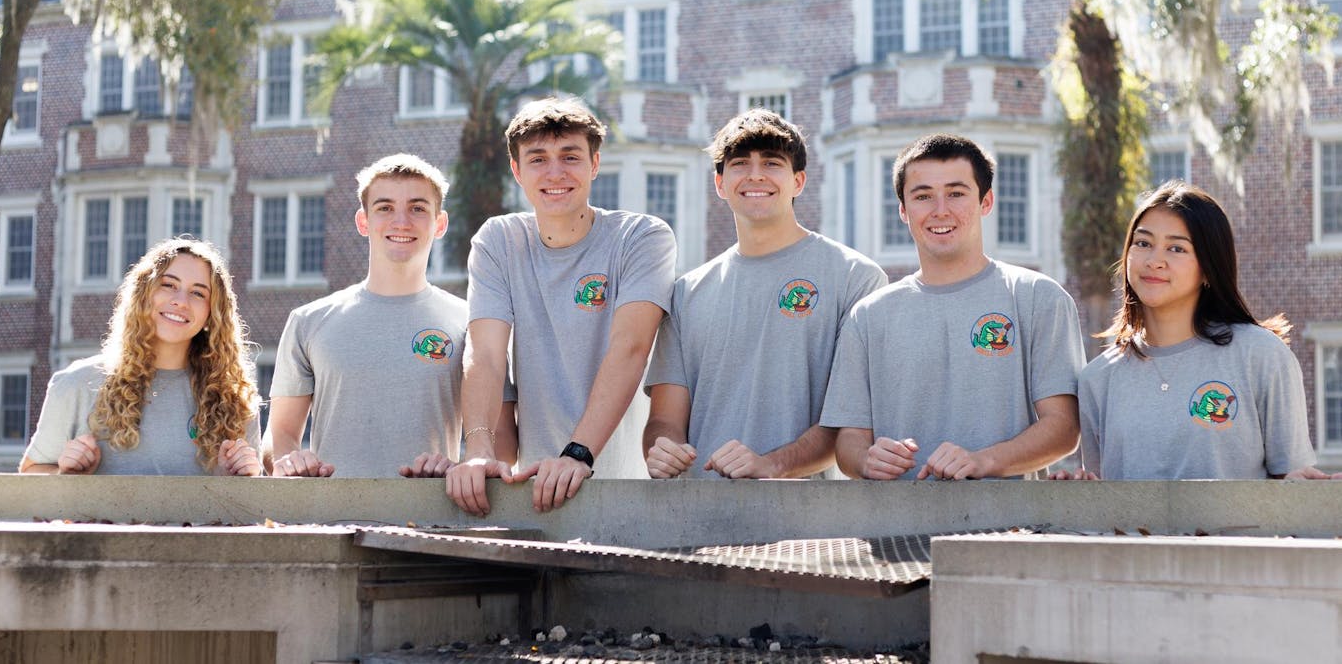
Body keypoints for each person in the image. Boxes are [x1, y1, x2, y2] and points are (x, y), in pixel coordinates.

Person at [447, 98, 677, 515]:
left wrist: (577, 453)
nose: (555, 173)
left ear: (594, 164)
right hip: (535, 494)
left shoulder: (642, 237)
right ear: (517, 171)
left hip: (630, 495)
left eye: (570, 156)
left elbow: (630, 348)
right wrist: (478, 449)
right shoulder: (498, 240)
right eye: (538, 159)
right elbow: (485, 353)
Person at [821, 134, 1083, 480]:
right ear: (902, 210)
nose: (940, 210)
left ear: (985, 202)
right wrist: (867, 460)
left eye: (957, 194)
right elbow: (849, 443)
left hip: (1007, 529)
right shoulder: (868, 317)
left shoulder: (1038, 298)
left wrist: (982, 461)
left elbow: (1064, 429)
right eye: (923, 196)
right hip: (892, 529)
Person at [643, 110, 887, 479]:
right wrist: (662, 449)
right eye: (740, 164)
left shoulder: (856, 278)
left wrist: (769, 465)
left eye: (771, 163)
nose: (755, 174)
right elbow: (664, 419)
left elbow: (849, 424)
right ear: (720, 184)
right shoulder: (685, 294)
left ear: (799, 181)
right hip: (696, 520)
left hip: (809, 526)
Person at [1057, 181, 1342, 481]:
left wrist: (1312, 491)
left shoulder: (1262, 356)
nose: (1154, 261)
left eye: (1176, 248)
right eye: (1143, 243)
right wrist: (1079, 487)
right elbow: (1101, 502)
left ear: (1209, 268)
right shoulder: (1097, 379)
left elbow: (1289, 483)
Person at [266, 154, 514, 478]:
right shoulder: (309, 321)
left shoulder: (475, 324)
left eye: (417, 208)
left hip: (433, 521)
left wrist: (460, 471)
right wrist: (290, 460)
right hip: (330, 521)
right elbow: (278, 437)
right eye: (384, 208)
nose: (401, 221)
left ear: (440, 224)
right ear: (363, 221)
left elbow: (504, 447)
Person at [20, 238, 261, 476]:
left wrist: (241, 480)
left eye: (198, 293)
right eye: (168, 285)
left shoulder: (235, 400)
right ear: (143, 294)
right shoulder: (76, 384)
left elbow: (253, 506)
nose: (180, 301)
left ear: (213, 312)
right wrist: (66, 476)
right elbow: (30, 475)